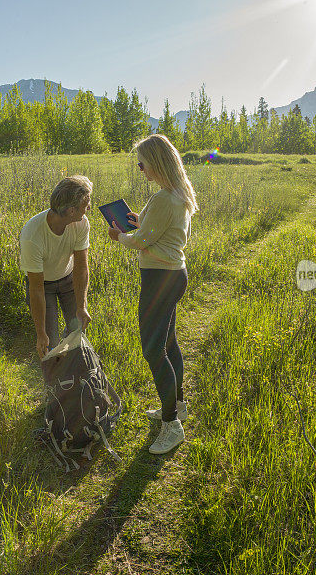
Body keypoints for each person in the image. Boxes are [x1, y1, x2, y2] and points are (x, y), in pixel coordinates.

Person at [107, 134, 197, 454]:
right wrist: (136, 220)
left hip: (160, 280)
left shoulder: (163, 199)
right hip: (174, 276)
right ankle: (177, 405)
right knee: (168, 343)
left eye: (143, 163)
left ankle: (172, 426)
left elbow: (143, 241)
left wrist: (120, 236)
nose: (141, 169)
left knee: (152, 349)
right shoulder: (178, 194)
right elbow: (154, 228)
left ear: (156, 162)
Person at [20, 175, 93, 358]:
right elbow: (36, 288)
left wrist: (82, 306)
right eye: (85, 205)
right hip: (43, 286)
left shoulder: (81, 223)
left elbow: (81, 266)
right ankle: (52, 382)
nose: (89, 208)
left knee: (77, 330)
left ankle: (74, 376)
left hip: (68, 279)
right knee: (49, 343)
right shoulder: (32, 235)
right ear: (70, 210)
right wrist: (40, 333)